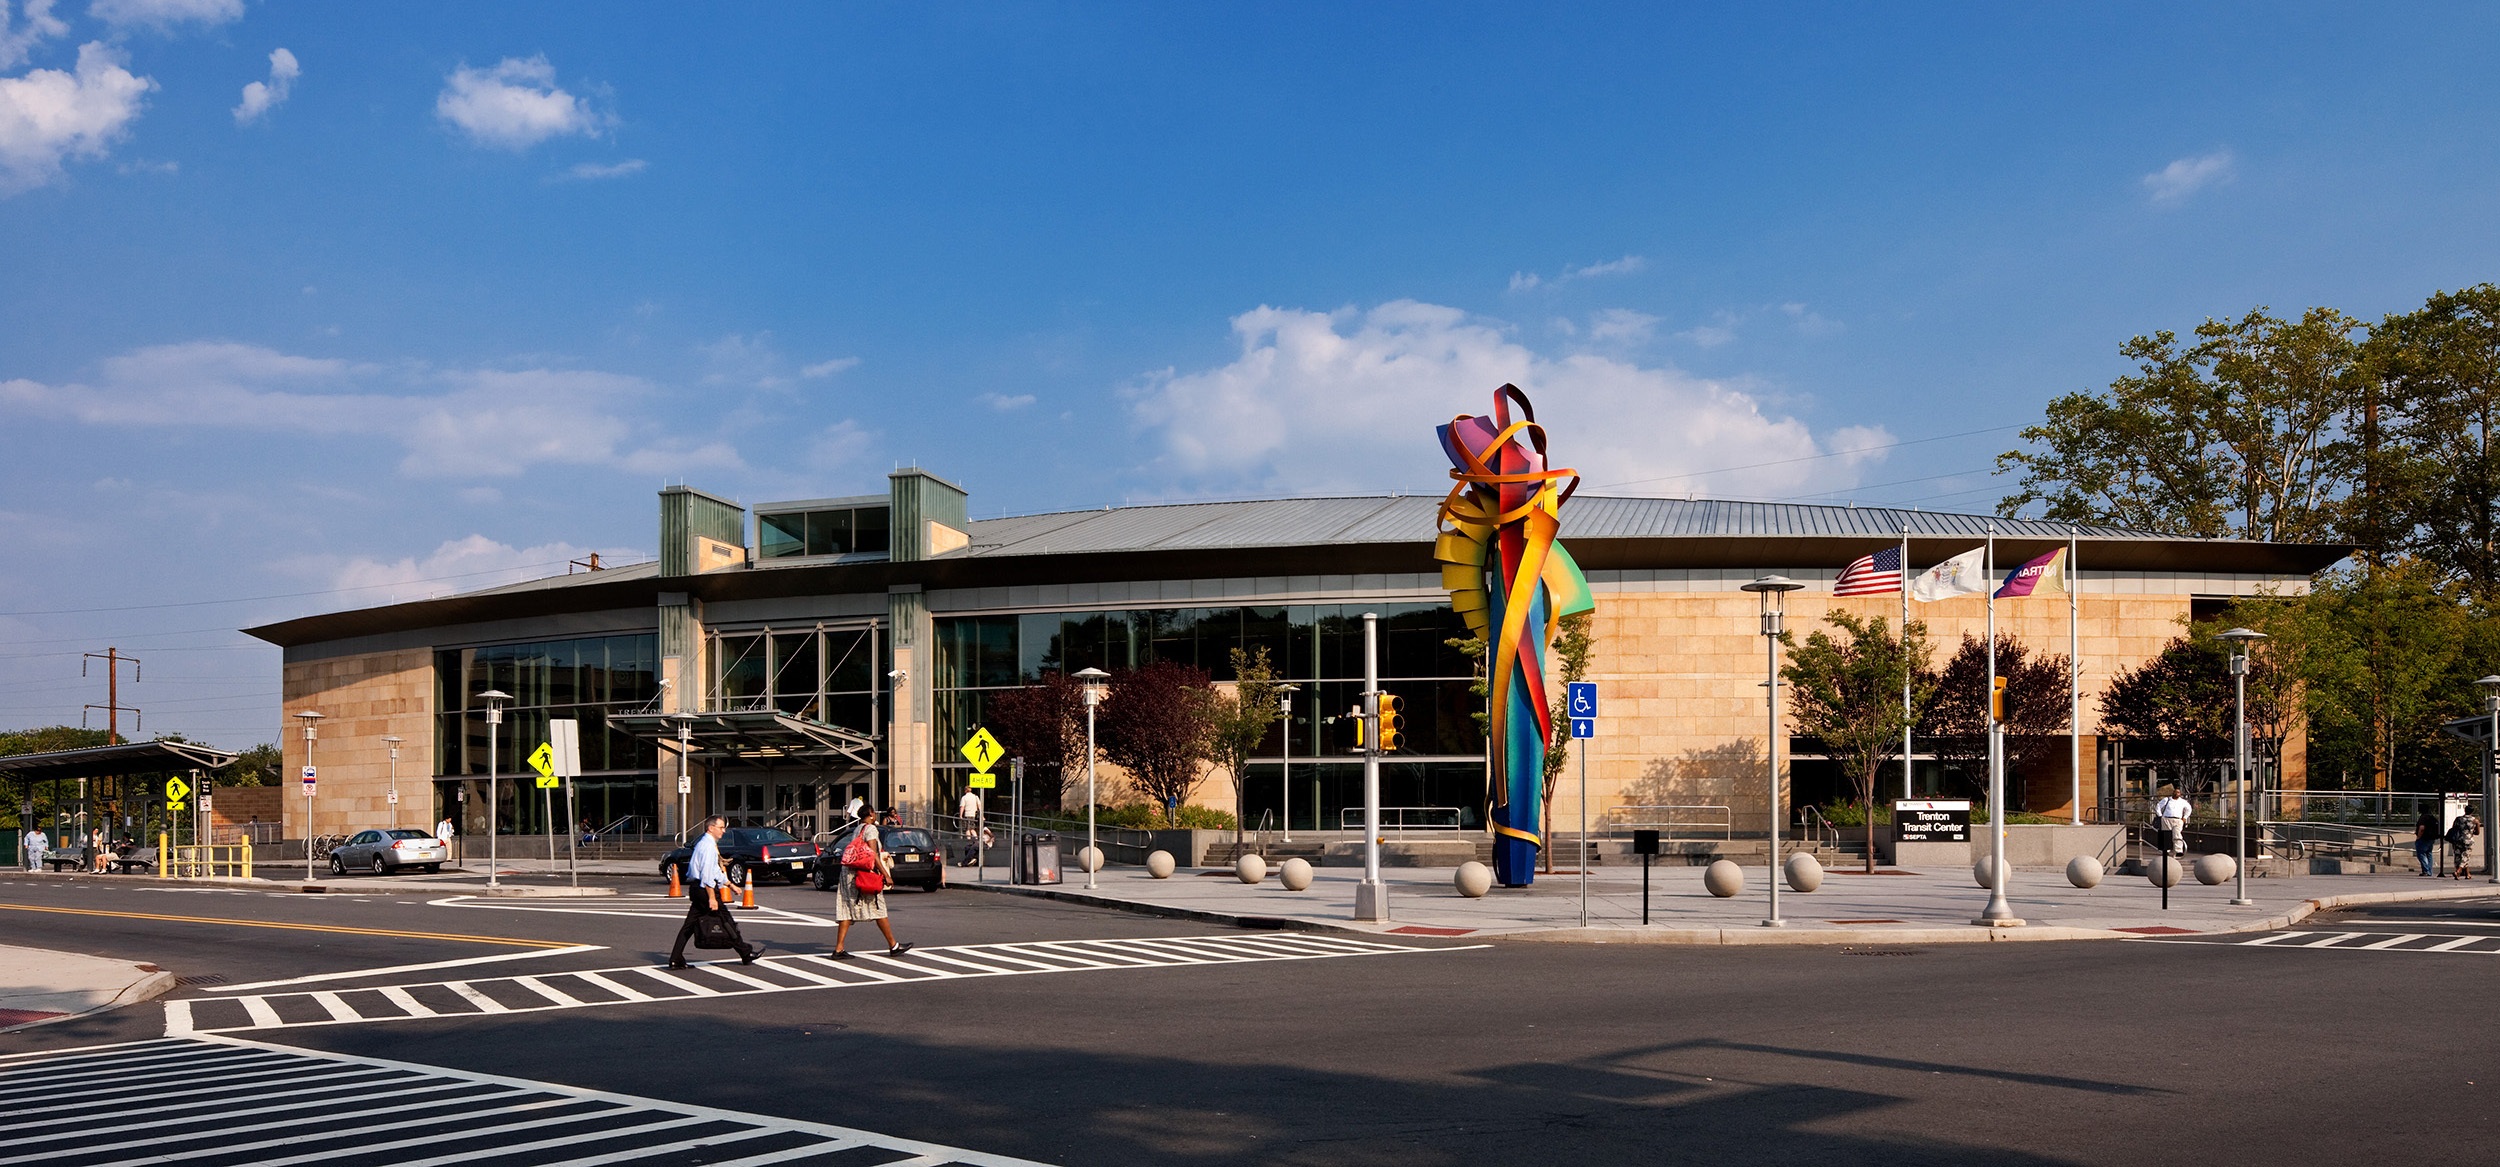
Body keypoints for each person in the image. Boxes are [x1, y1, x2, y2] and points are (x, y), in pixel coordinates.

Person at [670, 815, 761, 968]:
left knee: (689, 925)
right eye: (721, 827)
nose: (723, 831)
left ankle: (675, 958)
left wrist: (730, 884)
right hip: (704, 890)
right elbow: (707, 874)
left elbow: (714, 870)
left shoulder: (705, 844)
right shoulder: (707, 846)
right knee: (726, 921)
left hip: (698, 889)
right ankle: (745, 953)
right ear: (711, 828)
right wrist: (712, 897)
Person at [831, 804, 912, 960]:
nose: (875, 814)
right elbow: (873, 853)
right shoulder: (871, 829)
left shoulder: (857, 829)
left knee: (847, 909)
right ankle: (893, 946)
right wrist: (885, 874)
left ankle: (839, 948)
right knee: (878, 907)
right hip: (863, 874)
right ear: (871, 815)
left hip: (848, 873)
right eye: (874, 812)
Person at [2151, 787, 2192, 857]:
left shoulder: (2183, 801)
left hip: (2178, 820)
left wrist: (2185, 817)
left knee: (2177, 834)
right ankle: (2166, 850)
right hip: (2166, 818)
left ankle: (2178, 851)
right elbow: (2158, 806)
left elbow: (2189, 809)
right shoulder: (2167, 799)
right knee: (2166, 835)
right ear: (2173, 793)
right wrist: (2160, 815)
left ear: (2180, 794)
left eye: (2178, 792)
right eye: (2175, 792)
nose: (2177, 793)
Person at [2447, 809, 2480, 880]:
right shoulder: (2475, 821)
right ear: (2472, 812)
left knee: (2458, 856)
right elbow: (2477, 832)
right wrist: (2470, 832)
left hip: (2458, 840)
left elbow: (2454, 828)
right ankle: (2458, 870)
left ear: (2465, 810)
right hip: (2468, 840)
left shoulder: (2458, 819)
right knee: (2466, 856)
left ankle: (2467, 874)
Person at [957, 789, 984, 867]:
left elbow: (962, 807)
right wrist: (982, 815)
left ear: (965, 791)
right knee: (972, 829)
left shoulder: (964, 797)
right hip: (974, 815)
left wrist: (960, 815)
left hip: (967, 814)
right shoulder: (975, 797)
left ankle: (969, 839)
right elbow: (979, 806)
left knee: (967, 829)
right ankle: (976, 839)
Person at [2416, 810, 2440, 877]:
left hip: (2424, 838)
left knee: (2421, 854)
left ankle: (2426, 870)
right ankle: (2429, 871)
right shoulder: (2432, 817)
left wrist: (2418, 837)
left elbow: (2421, 828)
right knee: (2429, 854)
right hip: (2431, 838)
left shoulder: (2423, 818)